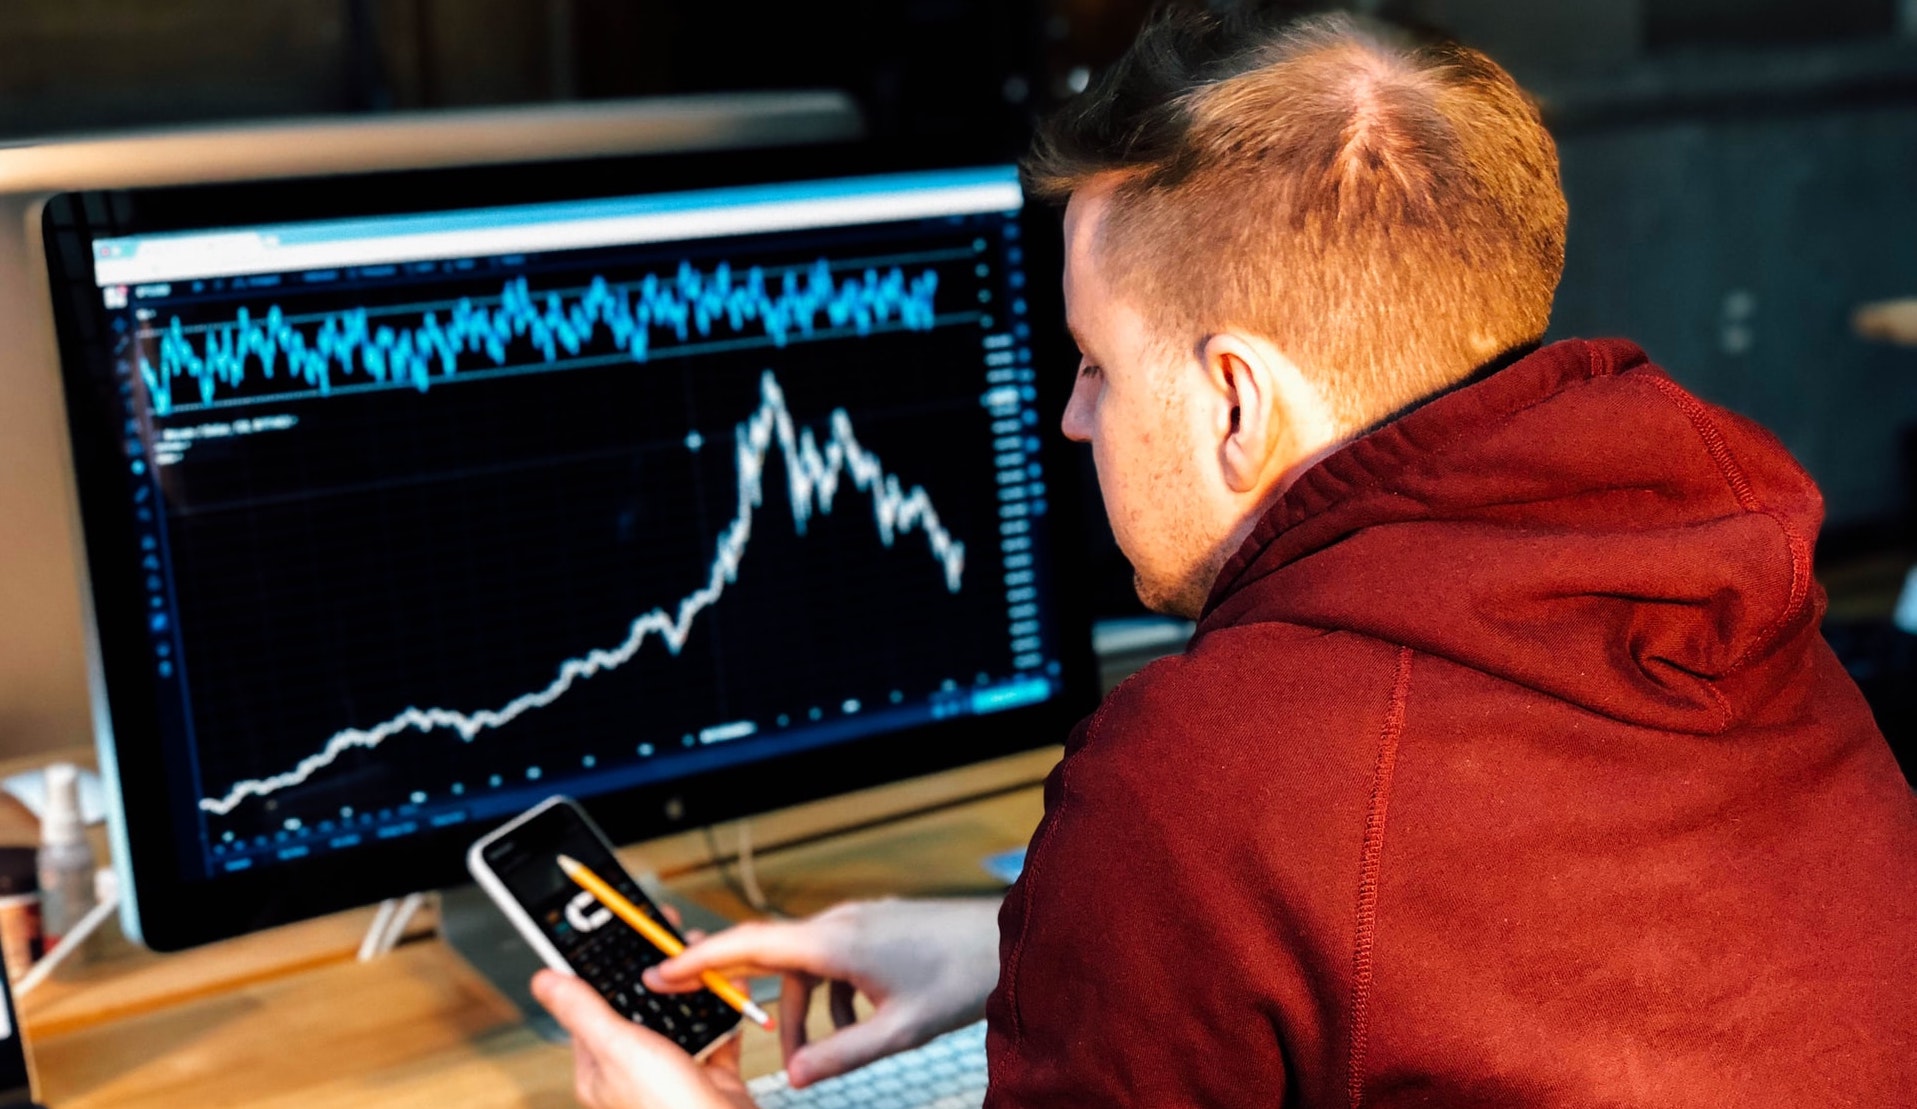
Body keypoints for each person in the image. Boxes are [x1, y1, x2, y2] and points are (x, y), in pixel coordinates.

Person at [532, 7, 1917, 1106]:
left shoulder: (1207, 776)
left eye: (1092, 366)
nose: (1072, 418)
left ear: (1236, 401)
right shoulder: (1735, 594)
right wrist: (1033, 950)